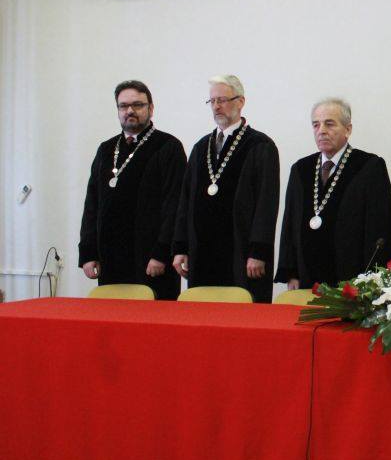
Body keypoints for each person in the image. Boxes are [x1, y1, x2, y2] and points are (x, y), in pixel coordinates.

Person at [171, 75, 280, 303]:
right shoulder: (201, 147)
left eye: (222, 100)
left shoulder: (260, 145)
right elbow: (185, 201)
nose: (216, 106)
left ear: (240, 102)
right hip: (202, 253)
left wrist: (258, 252)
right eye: (212, 101)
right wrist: (181, 247)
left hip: (243, 255)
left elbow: (266, 204)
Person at [78, 80, 186, 299]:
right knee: (112, 317)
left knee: (154, 318)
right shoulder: (106, 149)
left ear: (151, 108)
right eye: (123, 106)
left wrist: (161, 253)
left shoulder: (168, 146)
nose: (130, 111)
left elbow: (174, 206)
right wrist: (88, 252)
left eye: (137, 105)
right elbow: (92, 204)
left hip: (151, 260)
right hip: (110, 258)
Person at [275, 98, 391, 290]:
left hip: (352, 281)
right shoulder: (301, 169)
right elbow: (290, 224)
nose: (321, 130)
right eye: (316, 125)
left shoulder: (369, 166)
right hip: (306, 279)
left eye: (329, 124)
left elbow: (380, 228)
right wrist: (291, 272)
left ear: (348, 129)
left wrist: (372, 280)